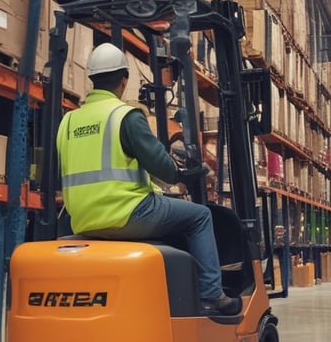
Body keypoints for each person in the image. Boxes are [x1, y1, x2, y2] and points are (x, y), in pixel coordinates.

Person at [56, 42, 241, 316]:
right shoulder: (125, 116)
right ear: (123, 80)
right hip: (128, 214)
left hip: (82, 218)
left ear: (92, 79)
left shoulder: (68, 121)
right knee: (200, 216)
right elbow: (163, 168)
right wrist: (182, 173)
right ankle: (212, 296)